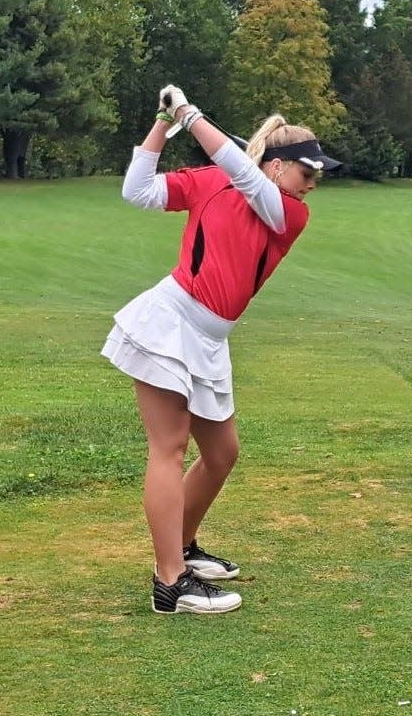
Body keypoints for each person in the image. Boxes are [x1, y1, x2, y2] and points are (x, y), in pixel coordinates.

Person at [101, 84, 340, 614]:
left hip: (211, 339)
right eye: (307, 173)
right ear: (278, 166)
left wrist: (192, 115)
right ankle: (171, 582)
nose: (312, 185)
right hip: (170, 322)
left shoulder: (288, 213)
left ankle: (181, 546)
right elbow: (136, 190)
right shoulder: (211, 182)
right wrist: (167, 122)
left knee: (222, 453)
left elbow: (245, 174)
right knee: (169, 448)